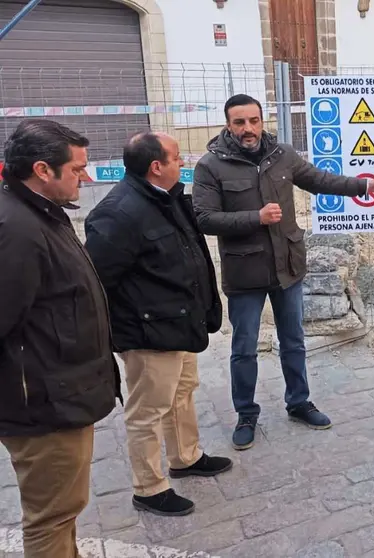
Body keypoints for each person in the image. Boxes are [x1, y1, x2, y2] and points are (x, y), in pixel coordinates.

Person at [193, 94, 374, 450]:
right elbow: (204, 218)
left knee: (294, 341)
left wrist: (366, 186)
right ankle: (246, 414)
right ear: (228, 124)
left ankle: (298, 402)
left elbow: (320, 180)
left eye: (254, 121)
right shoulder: (211, 166)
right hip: (245, 272)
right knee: (244, 348)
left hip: (287, 265)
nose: (248, 129)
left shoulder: (282, 155)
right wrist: (254, 218)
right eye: (239, 122)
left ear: (263, 120)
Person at [85, 132, 233, 516]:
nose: (182, 162)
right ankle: (149, 488)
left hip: (181, 324)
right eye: (177, 158)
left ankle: (185, 457)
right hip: (150, 334)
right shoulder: (117, 213)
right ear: (156, 166)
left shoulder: (166, 200)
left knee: (181, 393)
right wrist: (128, 331)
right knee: (147, 410)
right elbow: (98, 282)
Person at [0, 120, 120, 557]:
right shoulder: (16, 229)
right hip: (43, 405)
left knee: (65, 510)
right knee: (51, 517)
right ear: (42, 170)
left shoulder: (39, 212)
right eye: (77, 170)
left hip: (60, 394)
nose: (85, 179)